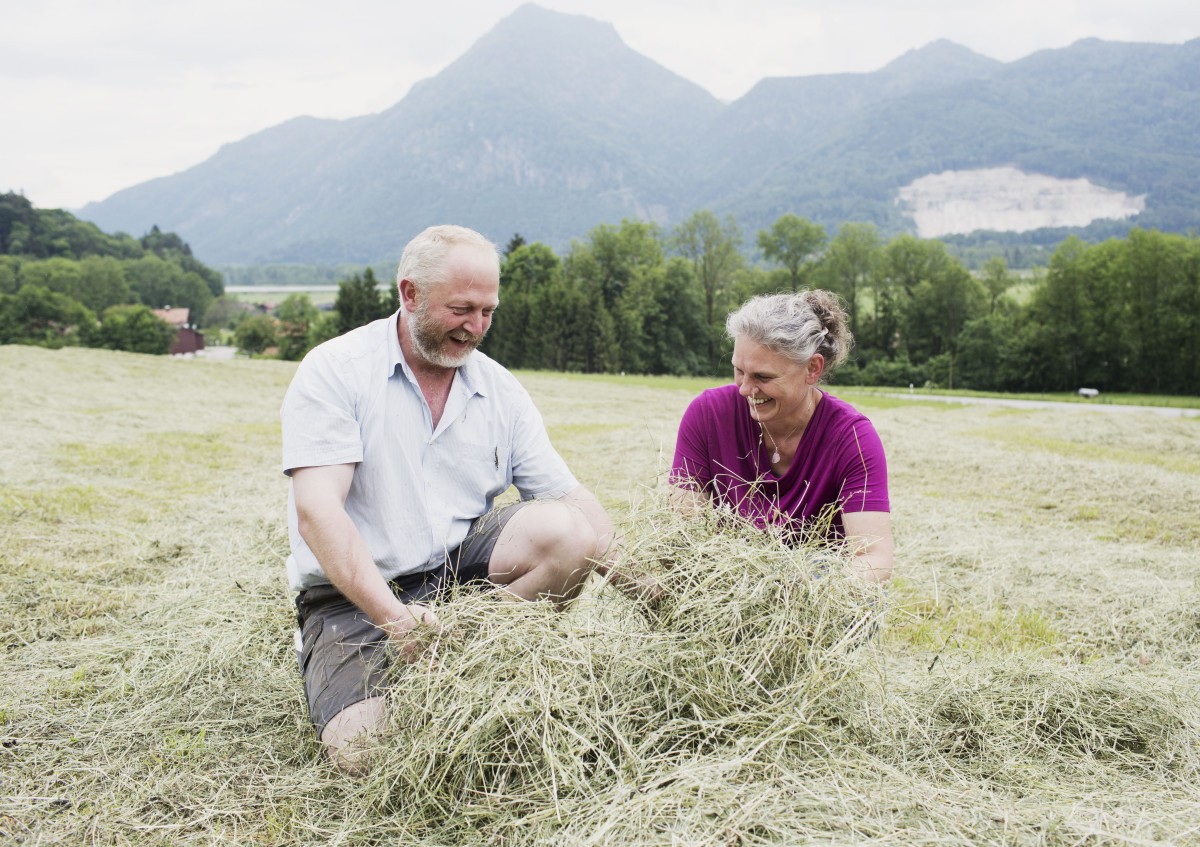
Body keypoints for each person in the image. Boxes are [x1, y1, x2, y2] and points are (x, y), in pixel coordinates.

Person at [281, 225, 623, 773]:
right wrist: (396, 620)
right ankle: (366, 667)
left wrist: (654, 587)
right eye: (462, 308)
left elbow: (568, 496)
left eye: (488, 311)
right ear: (409, 293)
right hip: (354, 598)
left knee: (570, 533)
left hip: (457, 569)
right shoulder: (336, 371)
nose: (477, 327)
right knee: (366, 755)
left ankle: (487, 661)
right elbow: (317, 512)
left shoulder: (498, 387)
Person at [670, 290, 893, 583]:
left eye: (763, 377)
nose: (745, 389)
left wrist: (796, 593)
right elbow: (683, 533)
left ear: (812, 369)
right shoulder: (708, 415)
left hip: (820, 599)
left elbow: (874, 558)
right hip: (727, 588)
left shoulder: (852, 438)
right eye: (739, 371)